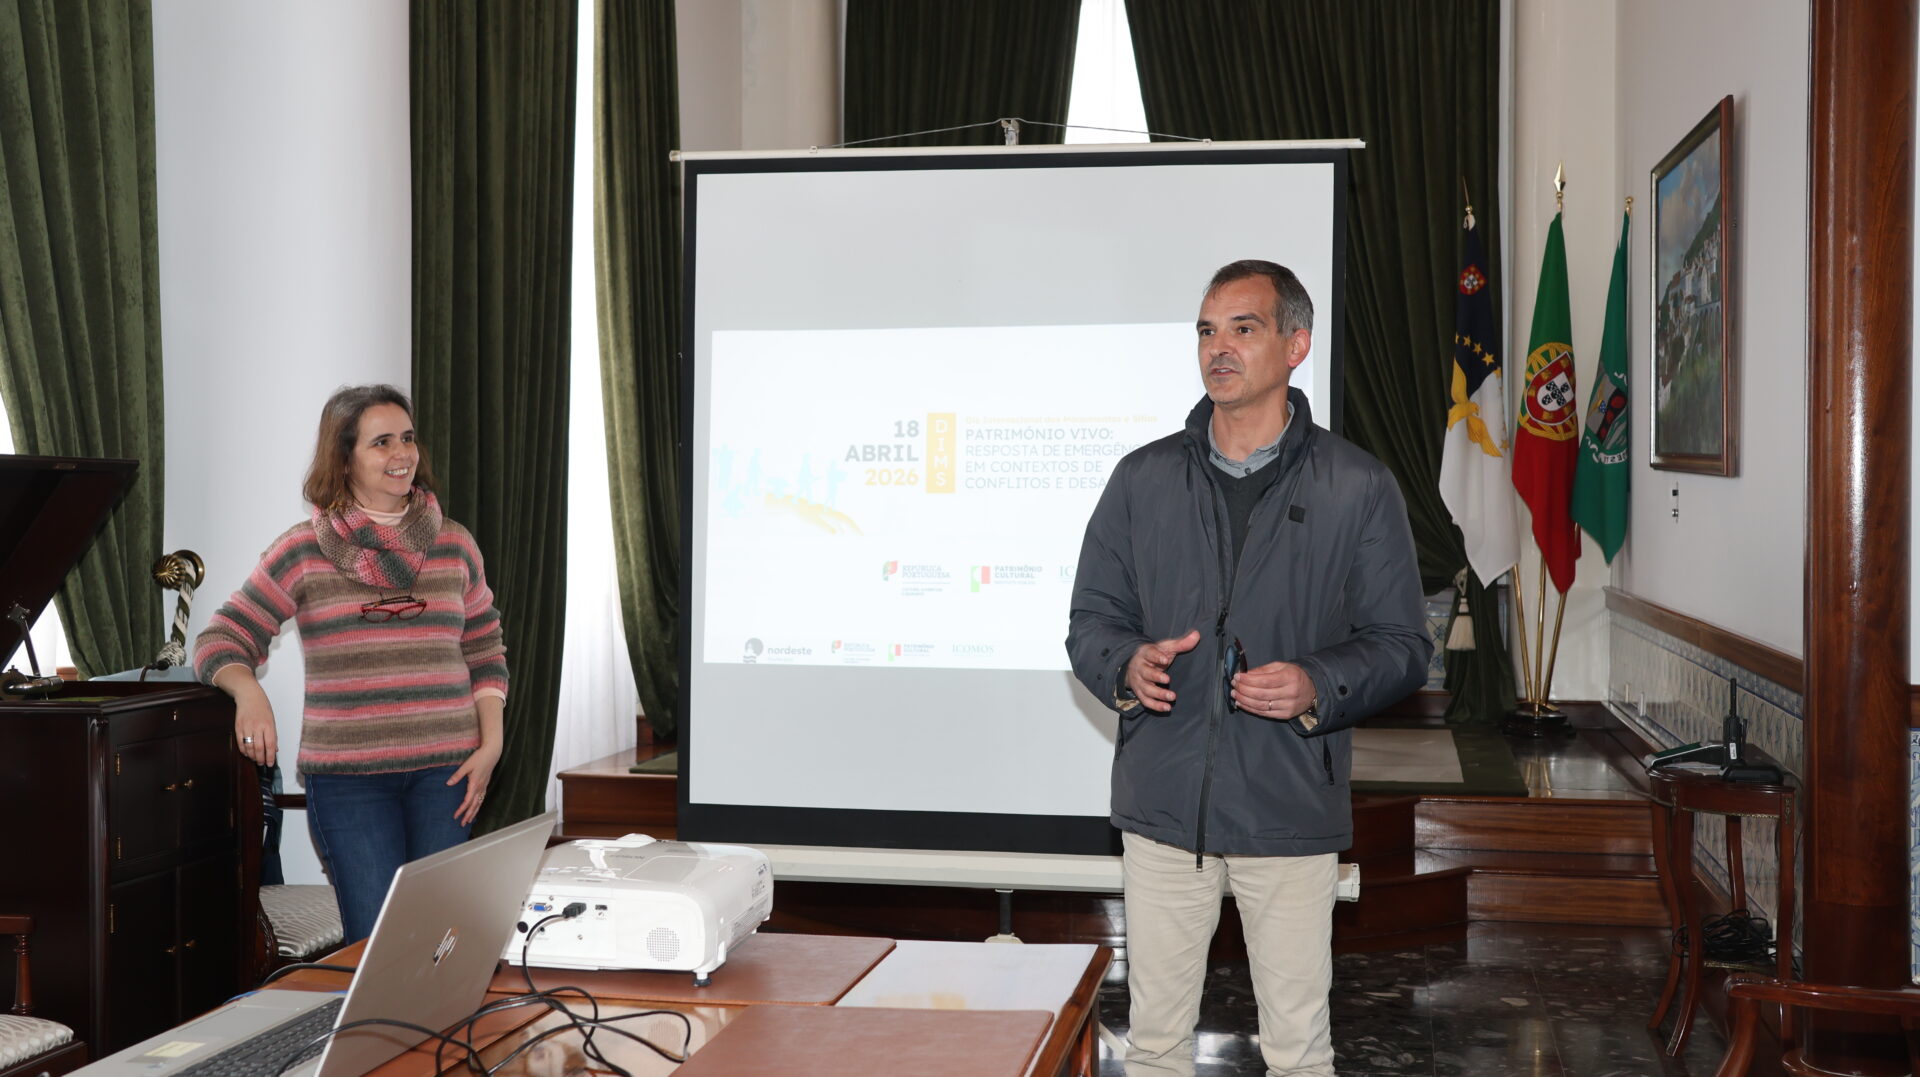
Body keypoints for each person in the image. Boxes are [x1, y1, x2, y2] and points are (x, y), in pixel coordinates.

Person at [1065, 261, 1431, 1076]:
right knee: (1155, 1046)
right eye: (1206, 330)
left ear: (1296, 345)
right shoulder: (1142, 478)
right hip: (1164, 806)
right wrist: (1125, 663)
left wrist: (1317, 683)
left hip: (1287, 802)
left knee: (1299, 1051)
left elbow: (1403, 643)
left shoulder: (1357, 485)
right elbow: (1090, 619)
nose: (1218, 347)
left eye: (1243, 328)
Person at [195, 384, 508, 943]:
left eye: (407, 438)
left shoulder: (455, 544)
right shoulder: (302, 550)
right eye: (381, 442)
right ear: (343, 459)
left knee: (438, 943)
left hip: (448, 776)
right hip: (349, 785)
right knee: (375, 945)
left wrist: (492, 745)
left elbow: (484, 648)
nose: (402, 454)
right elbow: (221, 638)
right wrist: (249, 693)